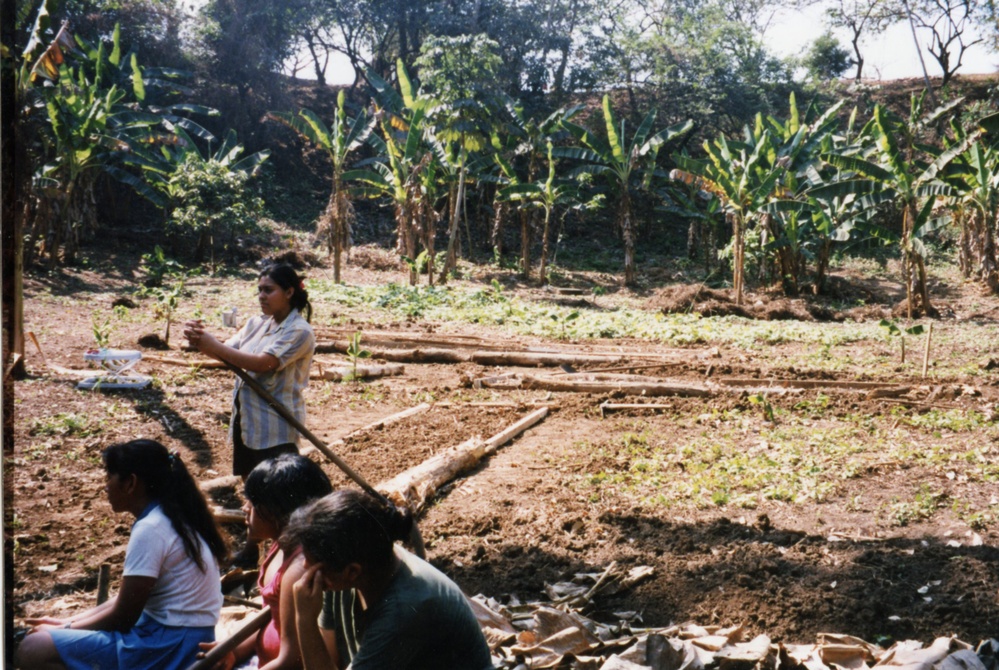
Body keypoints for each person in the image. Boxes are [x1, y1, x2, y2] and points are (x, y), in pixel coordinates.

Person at [15, 440, 228, 670]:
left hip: (171, 645)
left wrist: (61, 631)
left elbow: (123, 617)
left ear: (130, 483)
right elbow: (126, 601)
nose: (105, 486)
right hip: (182, 638)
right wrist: (66, 622)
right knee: (43, 641)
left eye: (109, 477)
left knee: (32, 649)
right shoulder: (174, 516)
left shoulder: (151, 528)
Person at [184, 262, 315, 567]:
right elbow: (227, 351)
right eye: (259, 290)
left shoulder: (299, 331)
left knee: (278, 495)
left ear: (289, 292)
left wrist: (212, 345)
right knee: (252, 488)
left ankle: (285, 551)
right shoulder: (257, 324)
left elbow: (262, 363)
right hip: (248, 421)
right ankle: (253, 547)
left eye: (269, 290)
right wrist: (200, 340)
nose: (261, 296)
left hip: (276, 425)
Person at [285, 490, 494, 670]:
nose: (306, 569)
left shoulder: (404, 609)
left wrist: (304, 620)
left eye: (312, 563)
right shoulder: (352, 566)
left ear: (352, 572)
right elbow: (328, 659)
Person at [198, 454, 333, 670]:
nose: (244, 508)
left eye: (252, 501)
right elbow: (271, 614)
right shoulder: (279, 545)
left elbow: (291, 660)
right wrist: (234, 650)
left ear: (274, 511)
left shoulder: (298, 568)